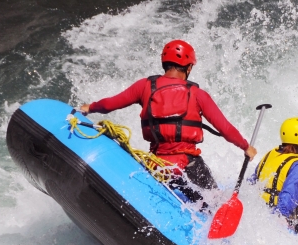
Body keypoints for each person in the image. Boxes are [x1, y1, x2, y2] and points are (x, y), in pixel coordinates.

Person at [79, 39, 257, 202]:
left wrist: (90, 107)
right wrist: (245, 147)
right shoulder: (198, 94)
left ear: (164, 63)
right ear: (188, 68)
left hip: (157, 165)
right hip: (188, 166)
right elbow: (224, 127)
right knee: (215, 202)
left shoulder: (145, 86)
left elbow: (110, 104)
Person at [250, 117, 298, 220]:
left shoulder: (270, 154)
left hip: (255, 208)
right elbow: (287, 200)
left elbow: (252, 182)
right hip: (275, 217)